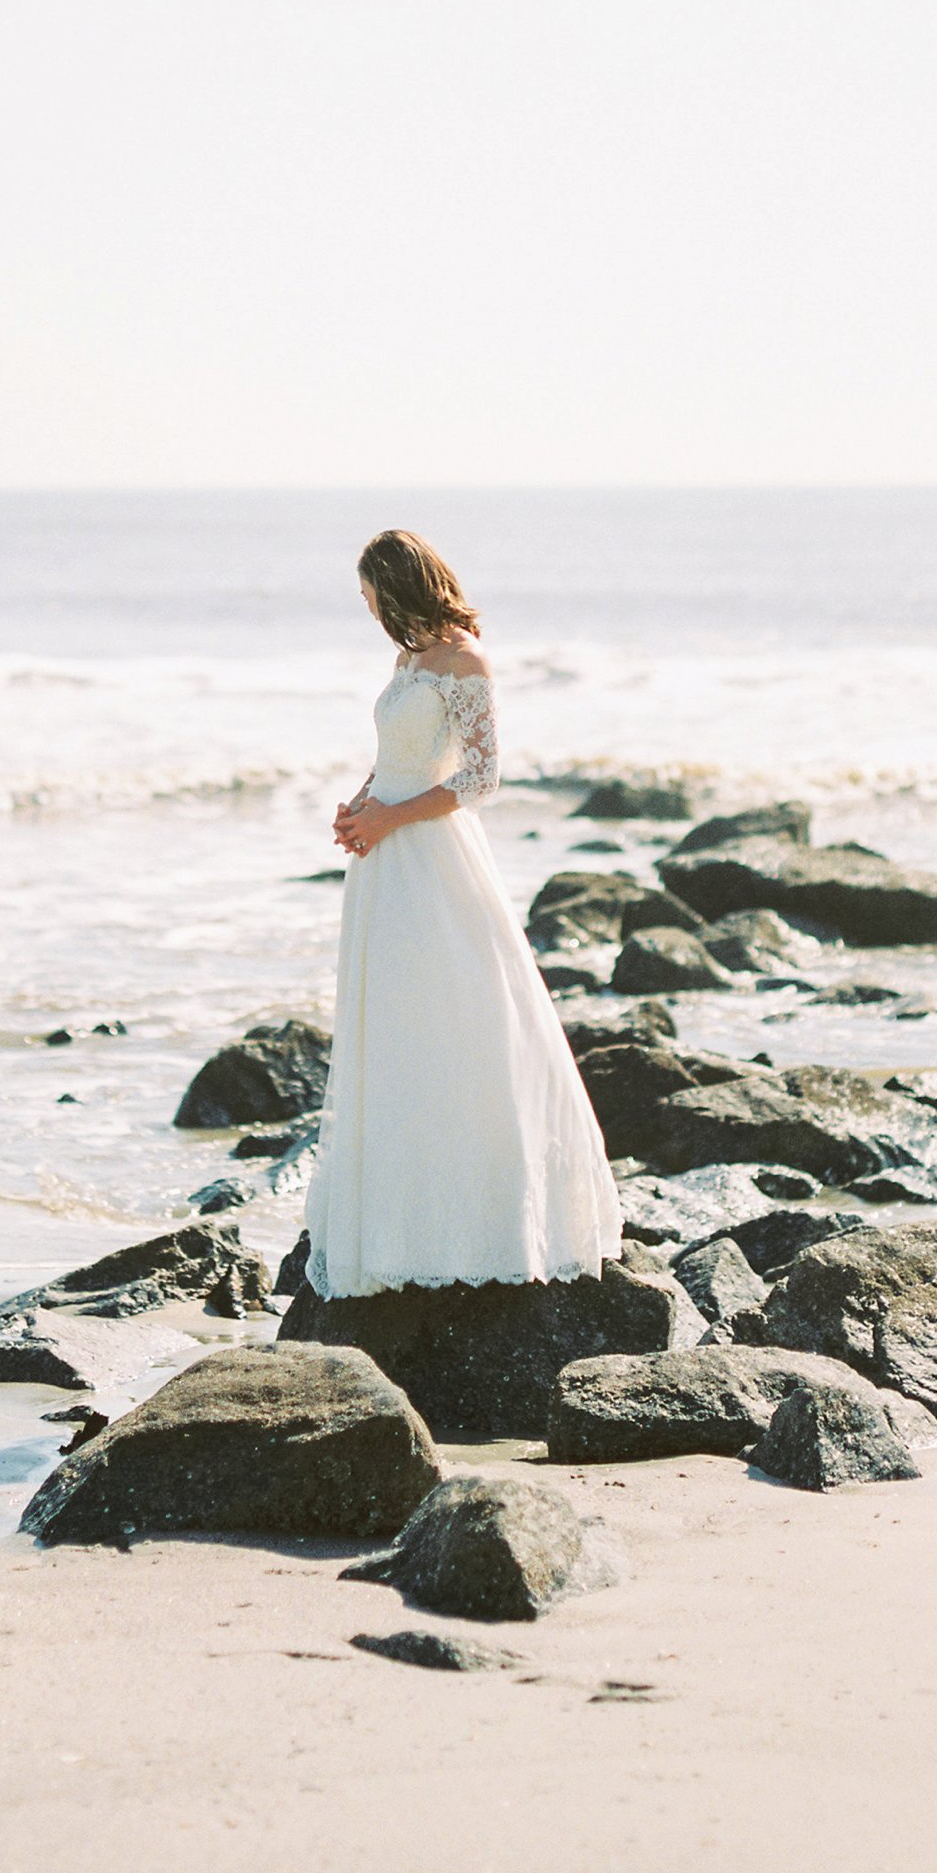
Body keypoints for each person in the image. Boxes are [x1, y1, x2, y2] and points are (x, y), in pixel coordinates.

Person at [299, 528, 624, 1299]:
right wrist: (363, 801)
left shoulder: (463, 661)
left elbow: (480, 778)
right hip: (386, 862)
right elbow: (400, 755)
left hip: (436, 858)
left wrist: (393, 817)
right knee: (396, 1025)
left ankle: (478, 1219)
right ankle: (396, 1213)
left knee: (459, 1019)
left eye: (371, 592)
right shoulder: (408, 659)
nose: (368, 606)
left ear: (398, 585)